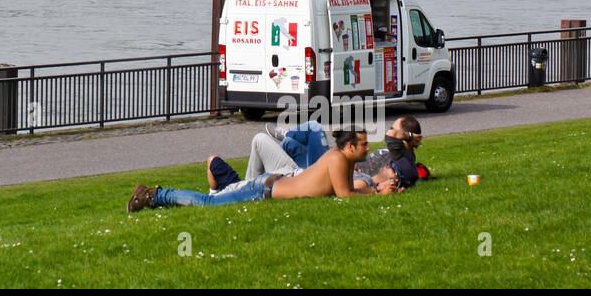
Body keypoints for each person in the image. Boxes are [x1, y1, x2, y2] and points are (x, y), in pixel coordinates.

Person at [129, 130, 399, 211]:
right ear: (349, 146)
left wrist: (376, 187)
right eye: (364, 144)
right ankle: (156, 195)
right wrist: (376, 194)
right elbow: (343, 194)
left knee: (211, 201)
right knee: (207, 203)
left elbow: (349, 190)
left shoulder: (343, 158)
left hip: (270, 185)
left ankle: (157, 198)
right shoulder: (338, 159)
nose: (368, 147)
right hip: (262, 190)